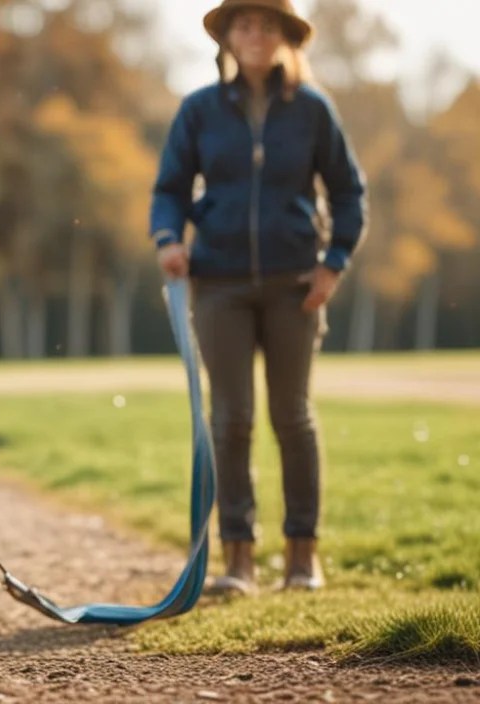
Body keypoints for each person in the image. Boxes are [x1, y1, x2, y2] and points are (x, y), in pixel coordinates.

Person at [149, 0, 366, 594]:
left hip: (296, 286)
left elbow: (348, 192)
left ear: (284, 37)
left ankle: (302, 557)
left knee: (292, 417)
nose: (255, 34)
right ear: (227, 36)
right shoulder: (199, 110)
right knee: (232, 419)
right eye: (243, 24)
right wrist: (169, 239)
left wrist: (334, 265)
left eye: (267, 24)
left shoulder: (313, 110)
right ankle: (238, 561)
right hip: (219, 286)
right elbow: (169, 188)